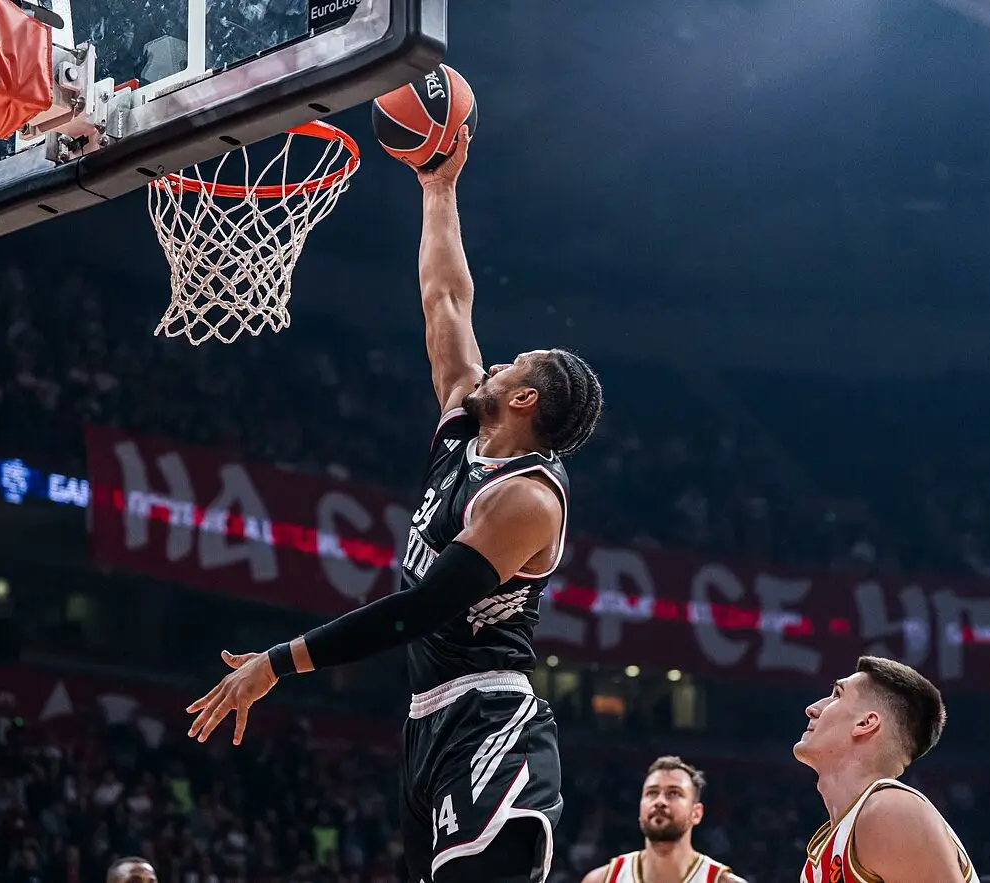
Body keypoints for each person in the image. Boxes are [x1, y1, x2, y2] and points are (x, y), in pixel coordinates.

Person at [185, 124, 603, 883]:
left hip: (489, 721)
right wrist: (436, 186)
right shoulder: (464, 428)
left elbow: (418, 610)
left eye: (510, 363)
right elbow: (445, 298)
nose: (493, 360)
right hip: (426, 720)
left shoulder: (527, 500)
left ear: (524, 397)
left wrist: (277, 663)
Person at [794, 656, 979, 883]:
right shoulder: (834, 843)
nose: (811, 709)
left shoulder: (890, 810)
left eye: (837, 695)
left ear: (865, 723)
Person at [581, 757, 743, 883]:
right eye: (652, 793)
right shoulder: (602, 880)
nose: (660, 801)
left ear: (696, 813)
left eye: (674, 793)